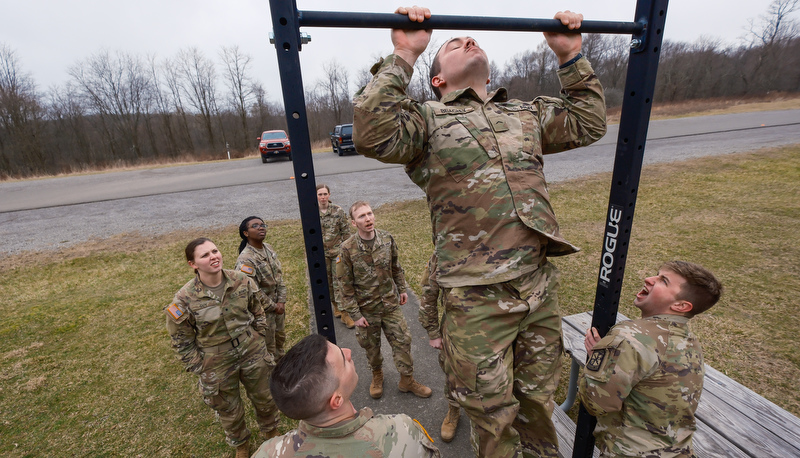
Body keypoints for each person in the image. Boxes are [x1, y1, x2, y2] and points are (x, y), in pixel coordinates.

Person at [352, 6, 607, 457]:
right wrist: (405, 52)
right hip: (475, 298)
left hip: (536, 286)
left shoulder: (525, 114)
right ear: (438, 80)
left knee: (538, 405)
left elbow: (589, 122)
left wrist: (570, 57)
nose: (468, 40)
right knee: (492, 415)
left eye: (474, 39)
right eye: (454, 43)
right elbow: (372, 133)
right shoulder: (426, 121)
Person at [578, 261, 723, 457]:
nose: (649, 279)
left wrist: (598, 361)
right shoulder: (690, 341)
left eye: (663, 281)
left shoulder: (630, 336)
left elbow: (596, 402)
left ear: (680, 305)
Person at [164, 237, 280, 458]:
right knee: (228, 408)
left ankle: (271, 433)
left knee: (265, 396)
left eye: (215, 251)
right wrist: (201, 367)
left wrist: (258, 335)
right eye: (205, 255)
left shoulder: (241, 280)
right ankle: (241, 445)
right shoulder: (184, 299)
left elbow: (258, 311)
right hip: (216, 361)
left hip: (251, 350)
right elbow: (181, 340)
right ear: (193, 264)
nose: (213, 257)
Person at [252, 334, 441, 457]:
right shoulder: (401, 432)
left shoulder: (267, 453)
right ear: (337, 400)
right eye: (343, 359)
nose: (349, 352)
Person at [336, 201, 432, 399]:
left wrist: (402, 288)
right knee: (371, 346)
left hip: (390, 305)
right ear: (353, 223)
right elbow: (344, 285)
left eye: (370, 214)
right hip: (366, 309)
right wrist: (355, 314)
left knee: (403, 341)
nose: (368, 218)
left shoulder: (387, 239)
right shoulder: (347, 249)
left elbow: (396, 266)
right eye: (361, 216)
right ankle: (377, 374)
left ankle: (407, 380)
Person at [418, 252, 461, 443]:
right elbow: (428, 295)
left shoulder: (497, 245)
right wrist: (433, 332)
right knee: (452, 371)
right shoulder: (444, 252)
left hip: (494, 329)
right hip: (455, 327)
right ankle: (454, 410)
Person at [235, 216, 288, 358]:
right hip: (263, 314)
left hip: (278, 308)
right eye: (255, 226)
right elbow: (253, 291)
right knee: (268, 348)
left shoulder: (268, 248)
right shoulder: (246, 260)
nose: (261, 227)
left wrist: (281, 301)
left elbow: (279, 277)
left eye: (263, 225)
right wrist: (274, 306)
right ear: (246, 233)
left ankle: (282, 370)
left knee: (280, 341)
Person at [316, 184, 355, 329]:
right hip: (321, 254)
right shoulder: (312, 212)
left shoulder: (337, 211)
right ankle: (336, 306)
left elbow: (345, 232)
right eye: (320, 194)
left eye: (325, 194)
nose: (323, 197)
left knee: (339, 281)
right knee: (327, 282)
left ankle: (345, 314)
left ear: (329, 195)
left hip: (337, 252)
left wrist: (348, 250)